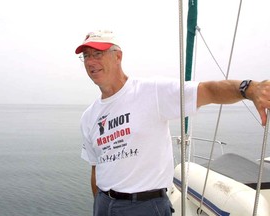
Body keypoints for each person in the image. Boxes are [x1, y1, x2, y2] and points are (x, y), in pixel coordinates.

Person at [75, 30, 270, 216]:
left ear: (118, 56)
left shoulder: (151, 92)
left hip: (145, 206)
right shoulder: (89, 116)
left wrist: (249, 89)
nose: (91, 61)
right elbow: (96, 167)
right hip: (103, 204)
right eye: (86, 56)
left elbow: (208, 91)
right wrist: (99, 204)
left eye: (97, 54)